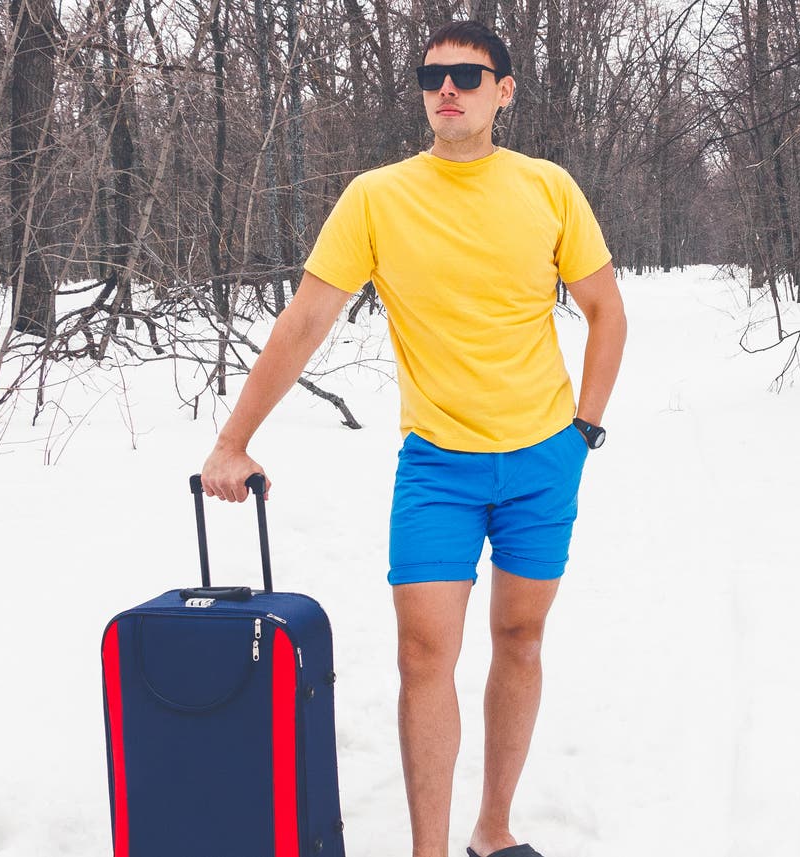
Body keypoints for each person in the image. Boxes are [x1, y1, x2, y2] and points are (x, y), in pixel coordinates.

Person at [199, 18, 626, 857]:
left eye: (468, 76)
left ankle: (493, 830)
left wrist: (585, 429)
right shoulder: (377, 196)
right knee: (425, 653)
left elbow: (606, 309)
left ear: (504, 91)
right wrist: (232, 440)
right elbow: (305, 321)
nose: (448, 90)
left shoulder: (548, 188)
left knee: (521, 638)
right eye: (434, 76)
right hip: (438, 465)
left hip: (545, 459)